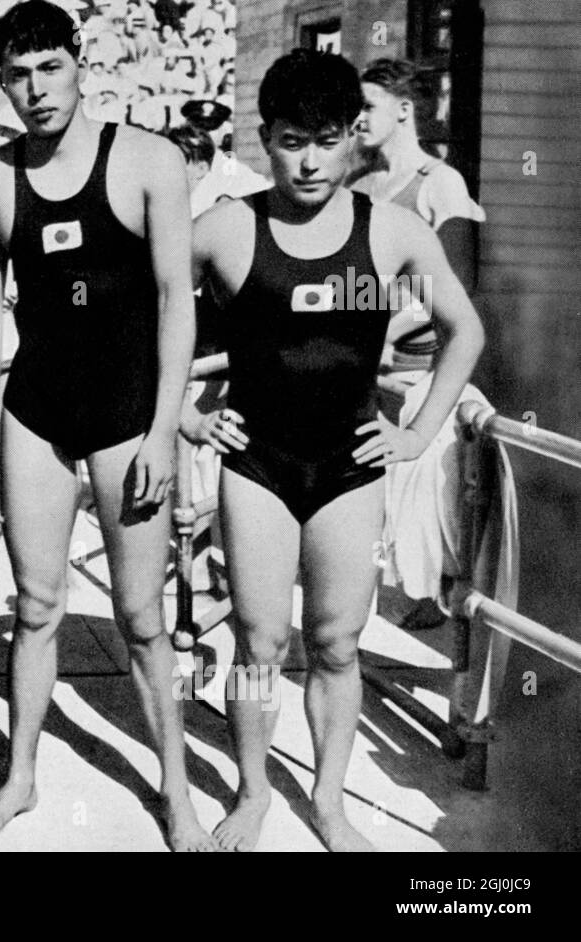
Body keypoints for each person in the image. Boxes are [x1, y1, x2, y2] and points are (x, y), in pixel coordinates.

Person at [186, 48, 484, 851]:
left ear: (354, 135)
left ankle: (328, 802)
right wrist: (184, 416)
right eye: (290, 140)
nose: (310, 160)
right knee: (256, 640)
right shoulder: (223, 226)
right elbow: (141, 325)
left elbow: (465, 329)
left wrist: (418, 433)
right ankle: (251, 795)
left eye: (326, 138)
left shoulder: (392, 229)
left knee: (336, 643)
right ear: (264, 138)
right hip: (257, 466)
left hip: (349, 468)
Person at [0, 0, 213, 849]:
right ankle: (22, 776)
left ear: (79, 62)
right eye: (17, 75)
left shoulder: (149, 159)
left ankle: (175, 786)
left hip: (129, 410)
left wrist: (164, 427)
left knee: (141, 616)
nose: (35, 90)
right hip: (36, 409)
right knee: (34, 604)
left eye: (50, 68)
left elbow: (179, 298)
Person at [351, 57, 485, 372]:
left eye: (368, 107)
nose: (357, 119)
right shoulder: (356, 185)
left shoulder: (440, 182)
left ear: (404, 110)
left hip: (417, 366)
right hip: (357, 361)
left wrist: (386, 335)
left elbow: (458, 285)